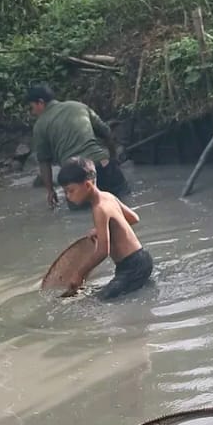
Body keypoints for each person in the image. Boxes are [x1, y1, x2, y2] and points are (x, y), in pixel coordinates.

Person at [55, 158, 154, 301]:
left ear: (88, 185)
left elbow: (103, 251)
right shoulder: (108, 196)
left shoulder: (99, 209)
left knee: (97, 301)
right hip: (142, 259)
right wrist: (101, 229)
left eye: (71, 191)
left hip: (131, 267)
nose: (68, 196)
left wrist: (79, 273)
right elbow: (134, 218)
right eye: (65, 192)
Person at [28, 83, 128, 209]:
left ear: (40, 103)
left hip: (76, 179)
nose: (33, 112)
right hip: (103, 165)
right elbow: (106, 132)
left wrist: (50, 191)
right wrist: (113, 160)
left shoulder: (40, 126)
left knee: (83, 217)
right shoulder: (78, 106)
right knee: (124, 204)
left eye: (32, 108)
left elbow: (44, 162)